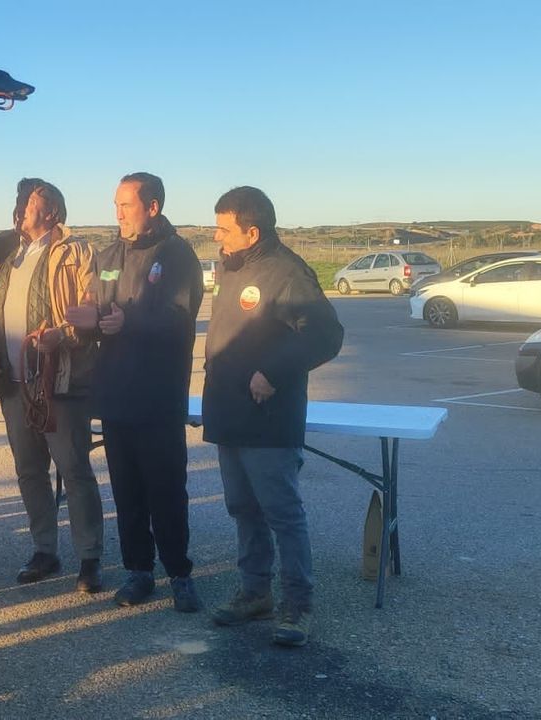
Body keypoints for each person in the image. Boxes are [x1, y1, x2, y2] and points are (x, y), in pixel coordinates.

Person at [203, 186, 343, 647]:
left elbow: (325, 336)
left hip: (268, 418)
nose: (217, 237)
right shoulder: (234, 266)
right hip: (230, 413)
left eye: (224, 230)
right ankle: (254, 592)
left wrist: (274, 372)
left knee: (281, 513)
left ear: (252, 231)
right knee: (242, 508)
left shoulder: (288, 273)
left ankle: (297, 605)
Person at [66, 172, 204, 612]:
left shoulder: (178, 256)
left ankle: (180, 572)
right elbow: (102, 311)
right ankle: (138, 570)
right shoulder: (108, 255)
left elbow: (181, 317)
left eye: (126, 205)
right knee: (126, 491)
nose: (118, 214)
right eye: (116, 205)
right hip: (116, 393)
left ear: (152, 207)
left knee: (165, 488)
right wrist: (85, 324)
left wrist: (131, 322)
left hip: (158, 395)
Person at [0, 179, 104, 593]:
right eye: (22, 199)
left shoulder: (76, 251)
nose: (23, 205)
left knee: (74, 469)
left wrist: (63, 334)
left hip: (58, 380)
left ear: (53, 212)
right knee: (29, 470)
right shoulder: (1, 255)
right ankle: (45, 549)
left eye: (33, 200)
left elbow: (93, 309)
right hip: (11, 382)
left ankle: (89, 557)